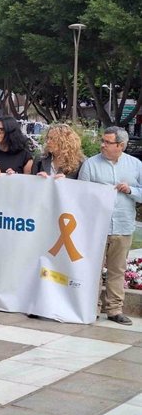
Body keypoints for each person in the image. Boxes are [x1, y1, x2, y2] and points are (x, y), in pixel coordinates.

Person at [79, 126, 142, 325]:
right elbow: (81, 194)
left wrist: (130, 190)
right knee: (93, 269)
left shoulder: (135, 165)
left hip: (123, 225)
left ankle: (115, 310)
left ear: (120, 146)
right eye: (103, 141)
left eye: (108, 142)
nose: (102, 145)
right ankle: (92, 307)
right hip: (97, 227)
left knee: (117, 269)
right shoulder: (90, 164)